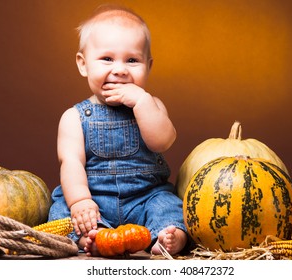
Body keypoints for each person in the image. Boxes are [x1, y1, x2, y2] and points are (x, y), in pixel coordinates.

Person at [48, 5, 188, 256]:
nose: (120, 69)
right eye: (107, 59)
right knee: (61, 211)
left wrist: (142, 102)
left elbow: (162, 142)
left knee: (169, 206)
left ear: (149, 66)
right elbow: (71, 163)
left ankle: (166, 236)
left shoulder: (152, 105)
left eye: (132, 60)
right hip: (94, 200)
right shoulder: (74, 117)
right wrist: (81, 201)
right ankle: (93, 236)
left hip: (145, 196)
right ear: (83, 64)